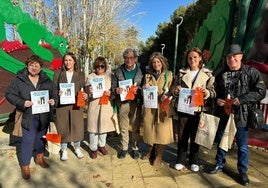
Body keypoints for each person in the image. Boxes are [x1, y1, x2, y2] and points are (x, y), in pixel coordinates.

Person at [209, 44, 266, 186]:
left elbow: (260, 91)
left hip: (242, 115)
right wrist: (218, 100)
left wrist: (242, 99)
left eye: (235, 56)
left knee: (242, 146)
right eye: (229, 57)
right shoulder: (221, 74)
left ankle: (242, 172)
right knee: (222, 141)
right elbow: (215, 91)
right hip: (225, 113)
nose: (232, 59)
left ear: (241, 56)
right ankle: (219, 164)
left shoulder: (251, 72)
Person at [5, 55, 58, 180]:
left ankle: (39, 158)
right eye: (31, 65)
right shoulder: (19, 79)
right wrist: (22, 102)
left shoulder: (46, 80)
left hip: (43, 116)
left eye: (36, 65)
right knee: (28, 141)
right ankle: (25, 166)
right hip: (28, 116)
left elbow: (55, 93)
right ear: (27, 66)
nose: (34, 67)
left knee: (41, 139)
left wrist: (53, 100)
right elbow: (9, 94)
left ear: (40, 67)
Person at [172, 47, 216, 172]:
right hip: (184, 108)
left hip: (199, 110)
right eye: (190, 58)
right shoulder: (181, 73)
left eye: (195, 57)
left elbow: (213, 91)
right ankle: (180, 159)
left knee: (196, 136)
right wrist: (176, 90)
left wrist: (206, 92)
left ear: (200, 58)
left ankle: (194, 160)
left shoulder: (208, 74)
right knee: (182, 135)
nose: (192, 60)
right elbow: (173, 88)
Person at [53, 52, 88, 161]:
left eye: (70, 60)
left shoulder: (81, 74)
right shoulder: (58, 73)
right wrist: (57, 93)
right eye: (66, 60)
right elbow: (54, 89)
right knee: (63, 127)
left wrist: (86, 94)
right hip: (62, 105)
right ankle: (63, 150)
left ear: (74, 62)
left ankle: (77, 148)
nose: (68, 62)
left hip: (76, 105)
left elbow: (84, 88)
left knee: (77, 127)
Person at [142, 52, 174, 166]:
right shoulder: (147, 76)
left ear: (162, 62)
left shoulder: (169, 75)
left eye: (158, 62)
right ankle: (150, 152)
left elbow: (173, 90)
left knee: (162, 132)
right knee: (149, 130)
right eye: (154, 62)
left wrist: (169, 94)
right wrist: (144, 88)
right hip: (150, 108)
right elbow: (142, 93)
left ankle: (159, 155)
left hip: (162, 108)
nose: (156, 64)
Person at [111, 48, 143, 159]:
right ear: (124, 59)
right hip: (123, 103)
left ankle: (135, 148)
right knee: (123, 127)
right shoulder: (118, 71)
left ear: (135, 59)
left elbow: (144, 87)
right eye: (126, 58)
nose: (129, 60)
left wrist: (138, 90)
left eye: (131, 58)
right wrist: (116, 91)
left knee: (135, 127)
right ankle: (124, 148)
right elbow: (113, 86)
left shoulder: (140, 71)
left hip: (136, 102)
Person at [86, 57, 115, 159]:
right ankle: (93, 148)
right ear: (95, 67)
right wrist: (89, 91)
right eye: (98, 66)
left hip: (106, 105)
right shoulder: (90, 77)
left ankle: (101, 145)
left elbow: (114, 90)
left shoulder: (110, 76)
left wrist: (111, 93)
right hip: (94, 105)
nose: (100, 68)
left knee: (104, 127)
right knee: (93, 128)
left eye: (102, 66)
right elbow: (86, 92)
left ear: (105, 66)